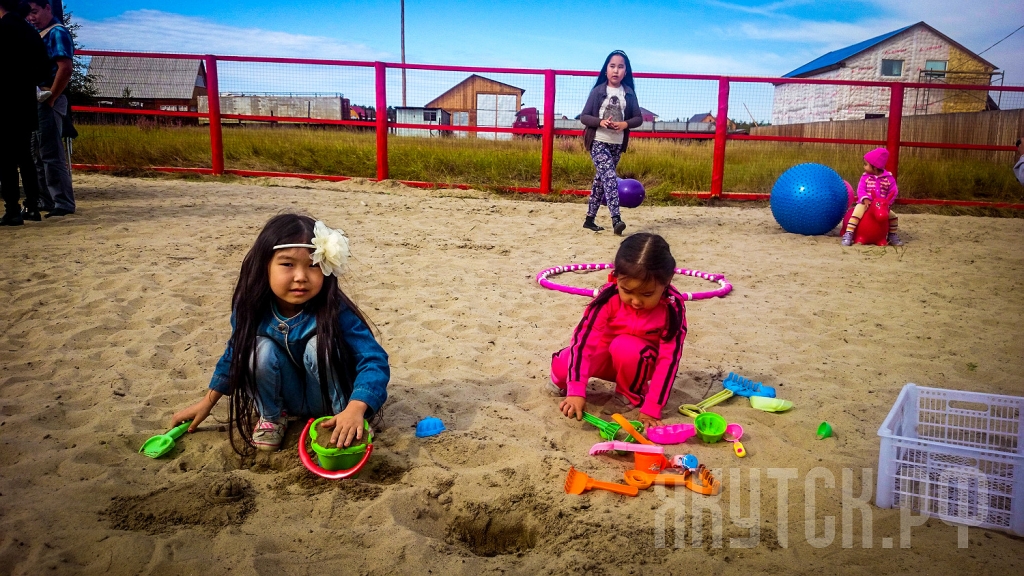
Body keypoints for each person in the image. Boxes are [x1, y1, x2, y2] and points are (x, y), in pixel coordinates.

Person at [171, 214, 390, 453]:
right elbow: (234, 354)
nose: (301, 277)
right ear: (264, 265)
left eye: (313, 265)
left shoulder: (334, 309)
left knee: (319, 345)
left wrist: (356, 408)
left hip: (329, 401)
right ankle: (272, 418)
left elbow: (373, 359)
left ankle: (342, 418)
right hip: (286, 400)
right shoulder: (251, 307)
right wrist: (207, 402)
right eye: (287, 264)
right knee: (253, 349)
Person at [548, 233, 687, 428]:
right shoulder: (608, 297)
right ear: (616, 277)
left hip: (638, 364)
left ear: (667, 280)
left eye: (647, 294)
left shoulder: (672, 306)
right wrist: (576, 391)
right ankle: (560, 380)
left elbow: (668, 361)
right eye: (627, 291)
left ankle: (629, 394)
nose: (636, 301)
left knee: (626, 346)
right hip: (604, 356)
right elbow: (583, 343)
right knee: (565, 365)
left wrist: (652, 408)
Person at [579, 50, 644, 235]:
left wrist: (624, 124)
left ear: (626, 71)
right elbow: (584, 116)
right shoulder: (598, 91)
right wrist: (600, 122)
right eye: (612, 66)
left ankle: (589, 220)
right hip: (598, 141)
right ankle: (616, 218)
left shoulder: (628, 93)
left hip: (617, 144)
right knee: (609, 177)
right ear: (606, 69)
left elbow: (638, 118)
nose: (616, 70)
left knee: (601, 181)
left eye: (620, 67)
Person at [0, 0, 50, 225]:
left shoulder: (3, 28)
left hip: (4, 100)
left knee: (6, 158)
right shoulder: (30, 32)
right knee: (25, 156)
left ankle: (12, 209)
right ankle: (32, 206)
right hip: (26, 99)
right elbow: (43, 68)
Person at [26, 0, 75, 217]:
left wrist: (52, 96)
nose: (31, 18)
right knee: (38, 152)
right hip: (40, 97)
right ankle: (46, 198)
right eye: (29, 14)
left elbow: (66, 68)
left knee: (50, 152)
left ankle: (62, 202)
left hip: (48, 96)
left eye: (35, 12)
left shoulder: (56, 32)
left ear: (47, 8)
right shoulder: (41, 33)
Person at [841, 147, 904, 246]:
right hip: (865, 203)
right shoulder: (865, 177)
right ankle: (849, 233)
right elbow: (861, 189)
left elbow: (893, 191)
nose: (864, 167)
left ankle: (892, 234)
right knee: (856, 213)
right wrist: (865, 199)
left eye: (866, 164)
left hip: (881, 206)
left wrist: (887, 203)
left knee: (893, 217)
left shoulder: (889, 179)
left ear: (875, 167)